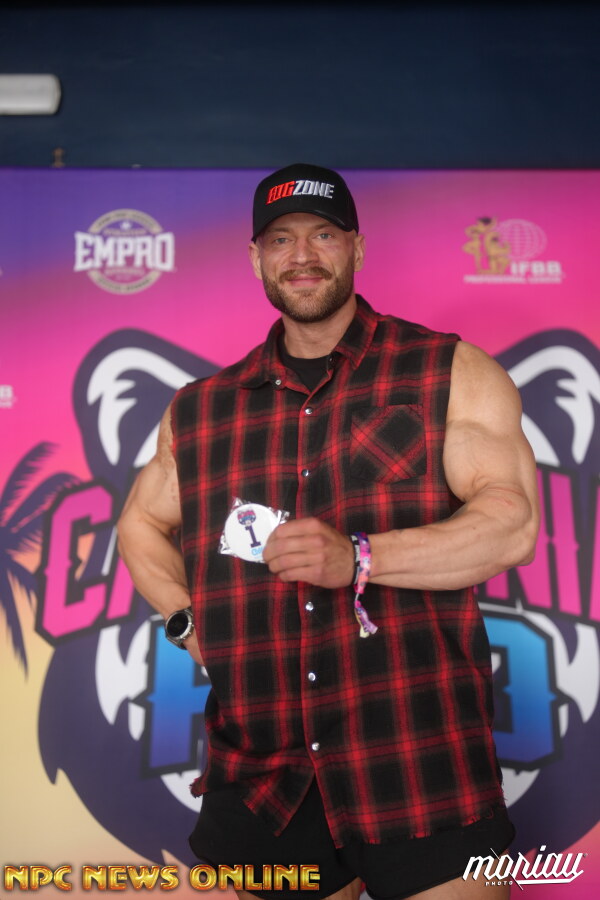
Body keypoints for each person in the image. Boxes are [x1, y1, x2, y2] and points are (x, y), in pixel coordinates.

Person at [117, 163, 540, 900]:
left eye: (322, 234)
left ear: (356, 248)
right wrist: (187, 622)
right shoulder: (203, 408)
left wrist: (361, 556)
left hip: (419, 755)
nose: (302, 255)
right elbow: (140, 524)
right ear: (256, 257)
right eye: (281, 239)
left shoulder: (447, 370)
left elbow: (512, 526)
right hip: (265, 774)